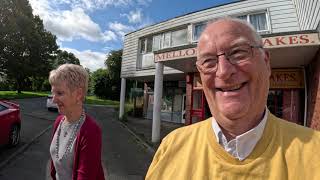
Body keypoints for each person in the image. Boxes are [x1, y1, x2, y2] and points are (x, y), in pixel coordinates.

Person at [146, 18, 320, 179]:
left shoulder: (314, 150)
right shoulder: (171, 146)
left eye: (238, 53)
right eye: (208, 61)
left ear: (266, 63)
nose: (223, 71)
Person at [49, 64, 105, 180]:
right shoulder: (59, 121)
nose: (53, 99)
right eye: (53, 93)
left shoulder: (91, 132)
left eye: (59, 93)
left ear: (78, 94)